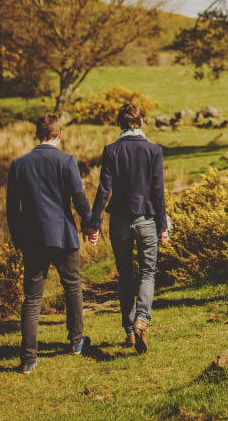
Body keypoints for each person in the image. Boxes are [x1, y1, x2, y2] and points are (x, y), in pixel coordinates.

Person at [5, 113, 92, 373]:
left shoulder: (19, 164)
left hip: (32, 240)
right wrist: (89, 223)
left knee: (32, 299)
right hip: (63, 236)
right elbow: (79, 198)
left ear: (37, 133)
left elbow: (11, 208)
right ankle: (76, 342)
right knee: (72, 288)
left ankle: (28, 359)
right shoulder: (66, 161)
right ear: (59, 133)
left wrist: (17, 238)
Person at [84, 102, 168, 354]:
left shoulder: (111, 150)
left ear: (119, 124)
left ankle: (130, 332)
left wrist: (94, 222)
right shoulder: (154, 151)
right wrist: (163, 225)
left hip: (119, 219)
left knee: (125, 275)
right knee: (147, 273)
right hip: (146, 219)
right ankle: (142, 318)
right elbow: (157, 192)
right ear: (141, 122)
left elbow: (103, 190)